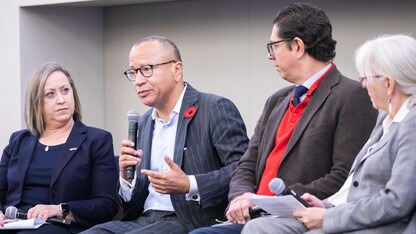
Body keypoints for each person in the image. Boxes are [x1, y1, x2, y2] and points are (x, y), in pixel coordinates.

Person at [190, 2, 378, 234]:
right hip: (255, 216)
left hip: (302, 218)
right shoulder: (277, 100)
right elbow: (247, 164)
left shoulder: (352, 95)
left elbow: (345, 176)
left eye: (273, 46)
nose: (270, 56)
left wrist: (268, 201)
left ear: (297, 46)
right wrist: (241, 198)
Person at [242, 34, 416, 234]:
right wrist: (325, 206)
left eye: (366, 77)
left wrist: (329, 216)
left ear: (388, 83)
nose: (363, 84)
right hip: (342, 212)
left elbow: (397, 201)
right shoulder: (384, 120)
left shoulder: (411, 124)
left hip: (380, 226)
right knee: (259, 228)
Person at [82, 35, 249, 234]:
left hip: (189, 220)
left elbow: (242, 169)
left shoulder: (214, 108)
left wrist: (190, 184)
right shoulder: (143, 122)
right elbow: (133, 202)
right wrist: (127, 180)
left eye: (147, 69)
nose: (138, 81)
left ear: (176, 69)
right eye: (133, 72)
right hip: (143, 219)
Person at [0, 62, 119, 233]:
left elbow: (107, 205)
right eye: (50, 94)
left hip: (59, 226)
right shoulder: (18, 141)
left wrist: (58, 209)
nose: (61, 99)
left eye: (65, 90)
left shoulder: (97, 140)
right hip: (14, 223)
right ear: (37, 103)